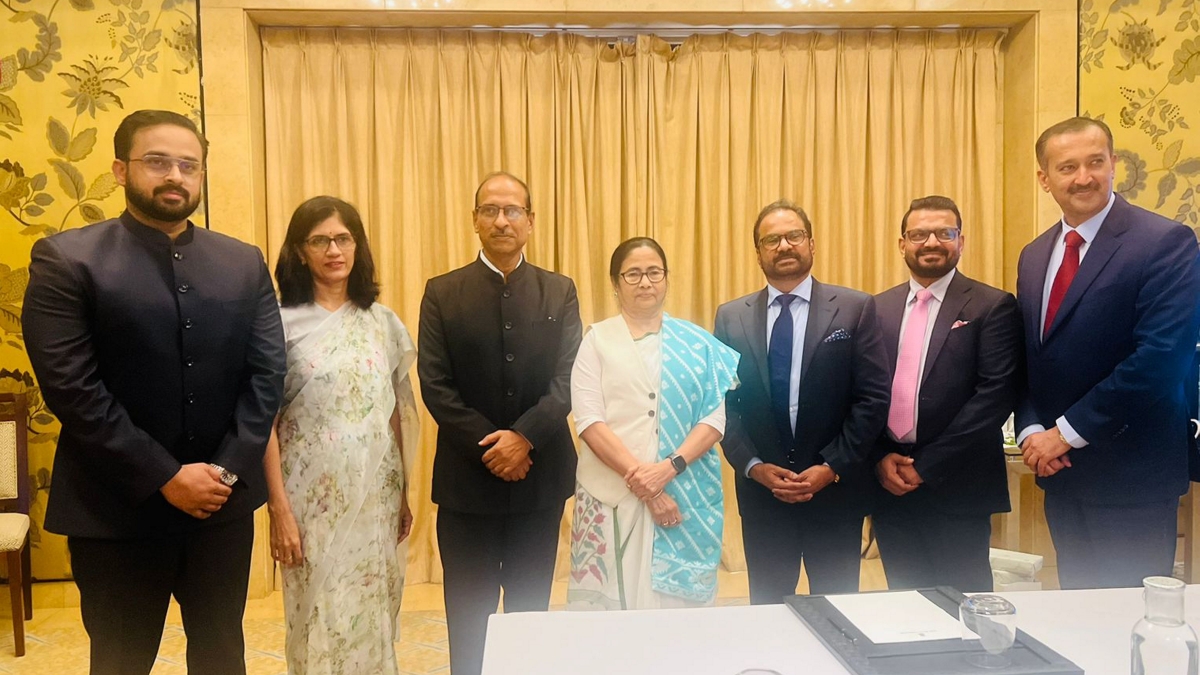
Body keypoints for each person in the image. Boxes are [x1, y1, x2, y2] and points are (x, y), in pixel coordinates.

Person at [21, 109, 286, 674]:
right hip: (114, 509)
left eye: (189, 165)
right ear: (121, 170)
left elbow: (266, 376)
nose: (175, 176)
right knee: (120, 662)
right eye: (158, 161)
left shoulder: (243, 262)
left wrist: (224, 474)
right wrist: (164, 476)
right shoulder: (67, 259)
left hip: (219, 508)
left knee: (222, 658)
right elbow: (72, 388)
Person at [1016, 116, 1200, 589]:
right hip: (1062, 476)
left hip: (1132, 478)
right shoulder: (1034, 255)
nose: (1084, 177)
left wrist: (1065, 433)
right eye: (1067, 167)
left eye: (1095, 162)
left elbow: (1162, 358)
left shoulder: (1165, 242)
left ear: (1113, 164)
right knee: (1078, 608)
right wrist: (1033, 430)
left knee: (1128, 617)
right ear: (1044, 179)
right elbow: (1033, 356)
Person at [417, 172, 582, 675]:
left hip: (540, 481)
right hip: (467, 487)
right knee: (469, 622)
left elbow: (569, 378)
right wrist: (494, 447)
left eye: (512, 211)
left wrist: (525, 437)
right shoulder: (442, 292)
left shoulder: (559, 291)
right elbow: (435, 385)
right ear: (475, 220)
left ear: (530, 221)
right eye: (490, 210)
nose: (502, 220)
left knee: (531, 618)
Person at [263, 196, 418, 673]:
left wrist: (403, 493)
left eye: (343, 239)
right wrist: (278, 509)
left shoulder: (382, 322)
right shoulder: (278, 324)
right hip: (311, 501)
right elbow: (264, 421)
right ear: (299, 251)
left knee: (371, 606)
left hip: (376, 495)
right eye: (320, 240)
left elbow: (394, 413)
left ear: (357, 246)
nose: (334, 250)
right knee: (319, 611)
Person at [714, 199, 890, 603]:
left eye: (794, 236)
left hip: (835, 493)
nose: (784, 246)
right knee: (769, 608)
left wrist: (832, 467)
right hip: (763, 496)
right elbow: (722, 404)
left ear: (811, 243)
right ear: (758, 252)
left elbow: (872, 398)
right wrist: (753, 466)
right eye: (771, 240)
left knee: (839, 607)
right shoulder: (730, 317)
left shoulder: (855, 308)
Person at [568, 237, 739, 610]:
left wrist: (668, 469)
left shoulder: (697, 344)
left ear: (666, 278)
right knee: (611, 617)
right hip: (612, 494)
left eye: (653, 273)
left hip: (684, 491)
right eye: (632, 274)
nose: (644, 282)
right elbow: (589, 420)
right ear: (615, 283)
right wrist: (647, 487)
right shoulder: (597, 341)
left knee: (677, 622)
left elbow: (714, 419)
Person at [870, 195, 1022, 593]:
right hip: (890, 486)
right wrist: (879, 458)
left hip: (959, 486)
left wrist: (926, 465)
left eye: (944, 233)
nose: (932, 242)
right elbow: (864, 392)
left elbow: (995, 395)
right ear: (902, 243)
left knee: (964, 605)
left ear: (961, 241)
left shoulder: (992, 305)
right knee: (905, 604)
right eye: (919, 234)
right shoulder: (876, 308)